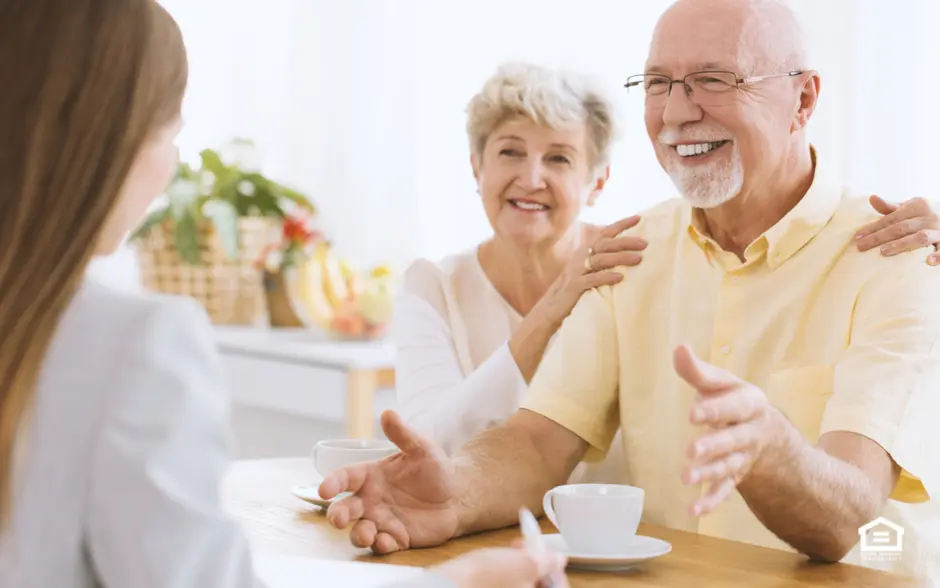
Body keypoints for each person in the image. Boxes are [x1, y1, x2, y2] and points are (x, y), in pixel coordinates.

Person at [322, 0, 940, 581]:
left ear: (802, 98)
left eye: (714, 80)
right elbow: (538, 443)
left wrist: (772, 448)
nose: (675, 114)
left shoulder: (895, 256)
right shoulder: (631, 251)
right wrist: (457, 492)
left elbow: (846, 515)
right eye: (658, 84)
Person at [0, 1, 567, 587]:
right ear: (116, 137)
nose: (532, 178)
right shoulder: (133, 344)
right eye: (172, 134)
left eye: (558, 157)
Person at [393, 62, 940, 485]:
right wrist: (550, 308)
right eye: (510, 152)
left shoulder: (629, 264)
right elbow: (425, 450)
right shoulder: (433, 286)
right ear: (476, 167)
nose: (530, 177)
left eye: (559, 159)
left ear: (599, 181)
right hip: (477, 538)